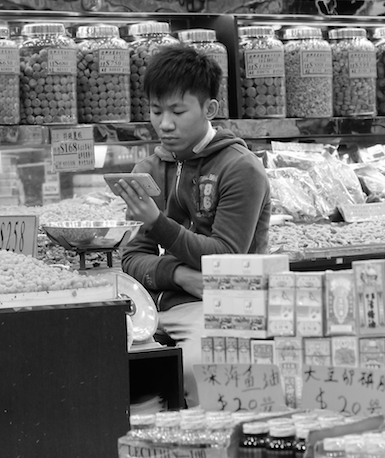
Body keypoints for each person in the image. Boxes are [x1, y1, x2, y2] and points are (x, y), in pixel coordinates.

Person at [116, 44, 271, 408]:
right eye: (156, 111)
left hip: (225, 305)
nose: (164, 124)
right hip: (155, 306)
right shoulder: (149, 169)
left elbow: (224, 257)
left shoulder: (241, 169)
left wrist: (158, 223)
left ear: (209, 109)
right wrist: (179, 275)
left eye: (178, 111)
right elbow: (131, 260)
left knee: (199, 369)